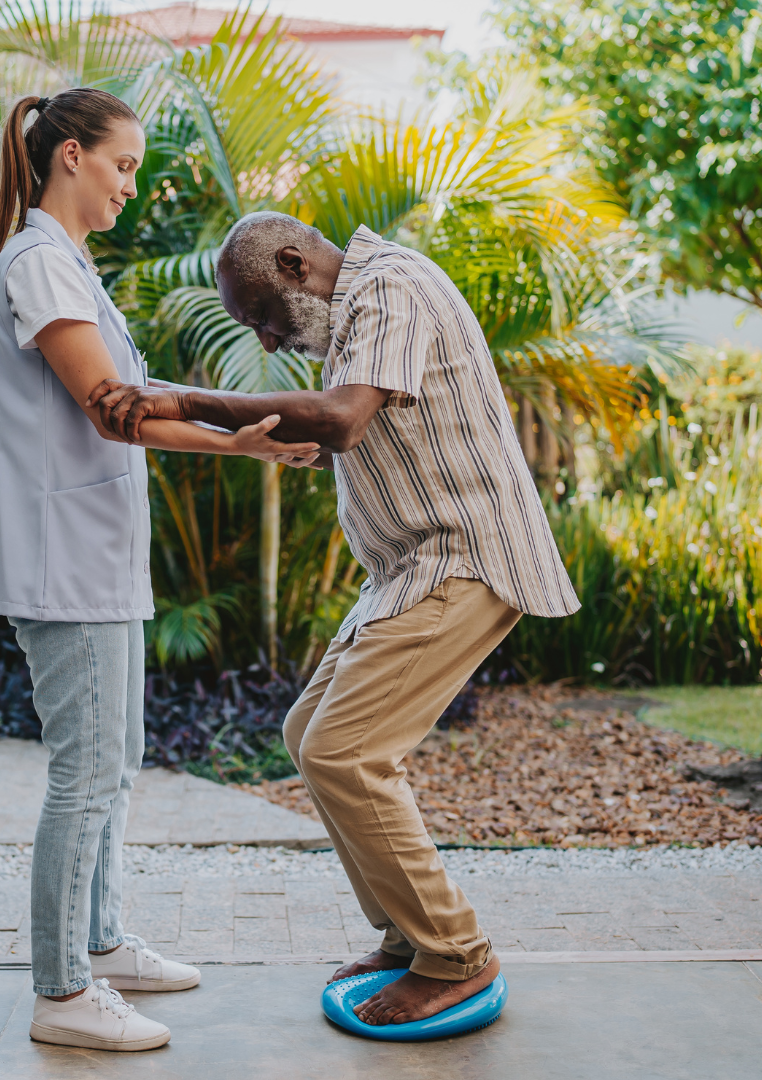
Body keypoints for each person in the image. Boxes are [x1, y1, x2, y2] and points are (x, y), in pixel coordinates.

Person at [87, 211, 580, 1026]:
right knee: (307, 734)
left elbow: (344, 419)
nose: (271, 341)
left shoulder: (388, 287)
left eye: (263, 317)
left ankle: (455, 952)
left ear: (292, 263)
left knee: (346, 752)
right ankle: (403, 936)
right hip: (411, 567)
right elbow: (347, 427)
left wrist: (184, 398)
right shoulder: (358, 312)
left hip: (465, 555)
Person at [0, 97, 319, 1051]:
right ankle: (60, 992)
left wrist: (236, 432)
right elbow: (110, 409)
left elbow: (122, 403)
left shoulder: (70, 263)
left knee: (115, 762)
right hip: (65, 565)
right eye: (124, 167)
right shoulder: (42, 261)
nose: (132, 186)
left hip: (97, 559)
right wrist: (240, 443)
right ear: (73, 157)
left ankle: (99, 941)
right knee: (83, 776)